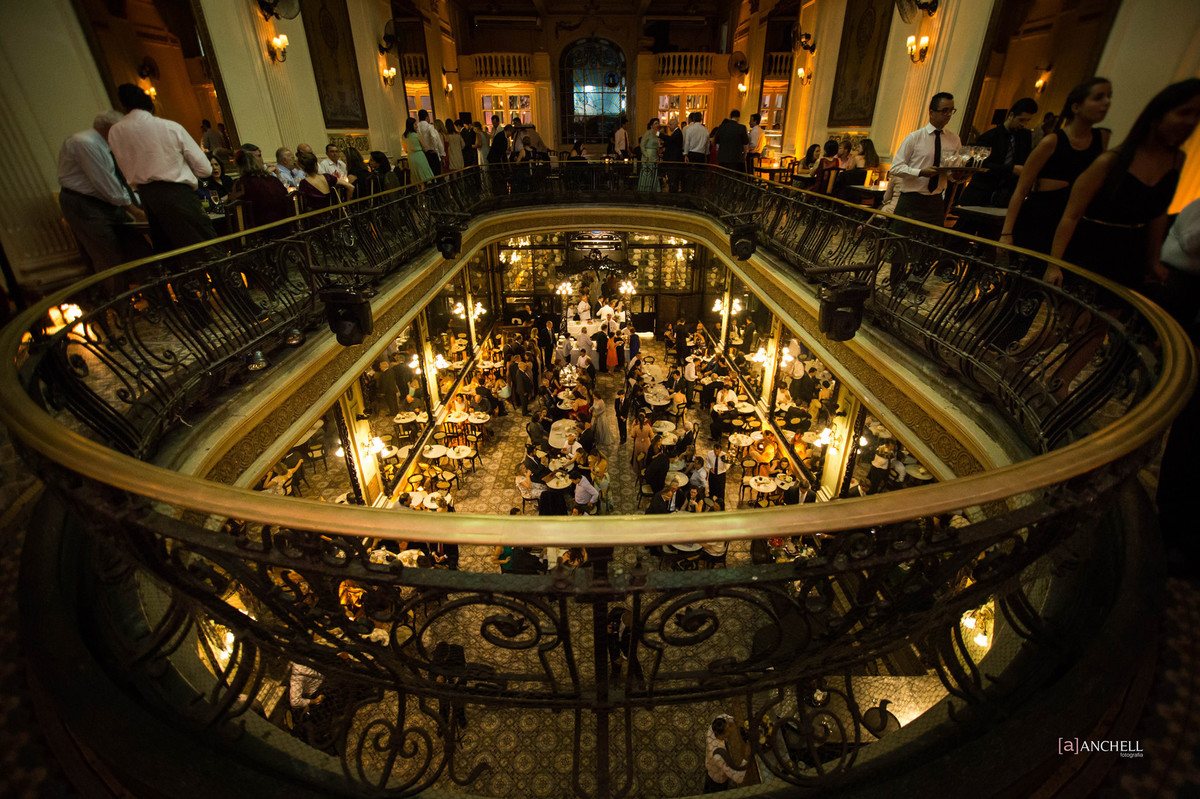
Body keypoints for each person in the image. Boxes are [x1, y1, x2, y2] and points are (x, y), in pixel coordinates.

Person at [1049, 79, 1200, 290]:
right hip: (1092, 248)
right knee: (1077, 318)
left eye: (1197, 115)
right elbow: (1071, 215)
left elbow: (1158, 213)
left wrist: (1154, 260)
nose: (1191, 122)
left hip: (1131, 252)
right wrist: (1054, 265)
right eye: (1184, 113)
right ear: (1157, 116)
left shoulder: (1177, 160)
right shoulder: (1110, 162)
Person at [1000, 78, 1112, 253]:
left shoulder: (1101, 138)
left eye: (1108, 96)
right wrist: (1006, 234)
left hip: (1075, 221)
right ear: (1076, 107)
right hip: (1041, 219)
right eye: (1098, 97)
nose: (1106, 102)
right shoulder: (1052, 141)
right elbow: (1021, 189)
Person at [107, 84, 216, 251]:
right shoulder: (169, 127)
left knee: (172, 254)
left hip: (147, 198)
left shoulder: (115, 132)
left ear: (124, 106)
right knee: (206, 248)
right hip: (179, 196)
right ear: (151, 105)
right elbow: (205, 169)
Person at [56, 110, 148, 274]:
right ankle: (121, 299)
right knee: (109, 259)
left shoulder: (104, 145)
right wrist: (135, 210)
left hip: (107, 203)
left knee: (140, 252)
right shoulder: (85, 143)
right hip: (85, 205)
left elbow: (115, 182)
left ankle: (155, 297)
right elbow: (106, 184)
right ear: (110, 128)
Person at [889, 92, 964, 227]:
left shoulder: (954, 140)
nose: (948, 115)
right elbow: (895, 168)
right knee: (900, 244)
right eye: (944, 111)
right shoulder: (914, 138)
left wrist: (957, 176)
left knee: (930, 245)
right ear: (931, 112)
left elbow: (952, 172)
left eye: (951, 110)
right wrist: (920, 172)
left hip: (935, 201)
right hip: (911, 199)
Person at [959, 97, 1038, 207]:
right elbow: (979, 165)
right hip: (982, 193)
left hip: (1005, 196)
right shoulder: (989, 137)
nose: (1024, 124)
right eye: (1021, 120)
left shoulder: (1025, 136)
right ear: (1011, 115)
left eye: (1027, 121)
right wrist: (1011, 169)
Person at [230, 148, 293, 226]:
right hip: (285, 223)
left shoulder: (242, 183)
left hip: (261, 228)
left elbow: (232, 205)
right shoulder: (273, 180)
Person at [704, 715, 747, 792]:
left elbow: (721, 716)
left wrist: (733, 720)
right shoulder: (719, 755)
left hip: (709, 766)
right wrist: (746, 759)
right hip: (718, 779)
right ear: (722, 735)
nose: (730, 730)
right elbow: (738, 778)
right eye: (728, 730)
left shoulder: (712, 728)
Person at [402, 118, 434, 185]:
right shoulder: (417, 135)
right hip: (419, 155)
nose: (417, 126)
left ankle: (419, 191)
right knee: (424, 173)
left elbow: (405, 149)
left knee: (415, 176)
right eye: (415, 124)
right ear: (411, 125)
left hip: (411, 157)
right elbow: (424, 147)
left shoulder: (404, 136)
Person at [417, 109, 444, 177]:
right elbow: (435, 138)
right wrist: (438, 152)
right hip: (432, 153)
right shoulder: (430, 127)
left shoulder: (417, 128)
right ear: (427, 118)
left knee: (427, 176)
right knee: (437, 175)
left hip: (423, 155)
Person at [638, 118, 662, 192]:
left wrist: (659, 148)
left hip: (655, 155)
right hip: (648, 155)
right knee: (647, 173)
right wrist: (646, 155)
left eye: (658, 123)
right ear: (651, 125)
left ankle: (653, 189)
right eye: (655, 123)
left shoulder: (657, 133)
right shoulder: (647, 133)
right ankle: (645, 189)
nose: (657, 125)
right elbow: (642, 145)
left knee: (654, 172)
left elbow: (658, 144)